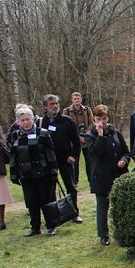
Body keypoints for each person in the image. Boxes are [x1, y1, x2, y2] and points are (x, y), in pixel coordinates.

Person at [9, 106, 59, 236]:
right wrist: (14, 175)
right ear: (18, 122)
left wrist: (53, 171)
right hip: (26, 174)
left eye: (28, 119)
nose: (26, 122)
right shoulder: (15, 135)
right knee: (31, 201)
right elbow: (13, 157)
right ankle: (35, 227)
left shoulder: (43, 133)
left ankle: (51, 226)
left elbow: (50, 154)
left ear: (33, 119)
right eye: (22, 120)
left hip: (43, 173)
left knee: (46, 200)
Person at [84, 105, 130, 246]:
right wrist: (100, 135)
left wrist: (124, 160)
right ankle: (103, 234)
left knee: (121, 205)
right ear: (94, 119)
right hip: (101, 176)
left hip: (118, 174)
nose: (101, 122)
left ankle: (122, 231)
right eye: (98, 119)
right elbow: (97, 152)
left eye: (104, 119)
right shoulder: (89, 135)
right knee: (103, 207)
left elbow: (126, 151)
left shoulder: (115, 132)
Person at [40, 94, 82, 223]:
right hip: (49, 161)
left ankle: (75, 213)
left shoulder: (67, 120)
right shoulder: (41, 122)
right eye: (52, 104)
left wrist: (73, 156)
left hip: (65, 159)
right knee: (50, 189)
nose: (55, 106)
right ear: (45, 106)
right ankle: (55, 217)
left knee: (71, 187)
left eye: (56, 103)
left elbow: (76, 141)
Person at [62, 92, 94, 184]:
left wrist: (86, 135)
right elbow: (66, 125)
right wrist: (78, 137)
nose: (76, 100)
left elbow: (91, 123)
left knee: (89, 161)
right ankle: (74, 182)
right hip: (74, 141)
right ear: (72, 100)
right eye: (75, 99)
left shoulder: (87, 110)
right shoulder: (67, 111)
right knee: (75, 162)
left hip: (86, 139)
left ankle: (91, 181)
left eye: (78, 98)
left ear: (81, 99)